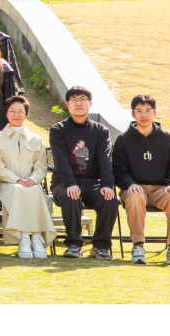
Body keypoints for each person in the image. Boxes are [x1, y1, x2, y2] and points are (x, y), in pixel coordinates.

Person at [112, 94, 170, 266]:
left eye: (148, 110)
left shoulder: (167, 139)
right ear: (133, 114)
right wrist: (129, 184)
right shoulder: (123, 140)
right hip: (134, 188)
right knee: (135, 197)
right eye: (139, 111)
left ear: (155, 113)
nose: (143, 115)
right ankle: (138, 246)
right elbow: (118, 169)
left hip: (160, 189)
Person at [49, 86, 118, 260]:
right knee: (71, 197)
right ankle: (74, 244)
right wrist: (71, 183)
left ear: (90, 104)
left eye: (83, 99)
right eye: (74, 99)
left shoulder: (101, 131)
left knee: (110, 199)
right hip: (65, 182)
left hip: (93, 183)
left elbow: (105, 160)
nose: (78, 103)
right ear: (67, 104)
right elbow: (60, 161)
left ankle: (101, 247)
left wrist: (107, 185)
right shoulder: (58, 129)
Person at [0, 95, 55, 259]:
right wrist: (16, 180)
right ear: (6, 113)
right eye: (12, 111)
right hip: (5, 184)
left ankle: (36, 237)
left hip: (31, 183)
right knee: (19, 190)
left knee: (35, 191)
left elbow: (41, 165)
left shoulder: (36, 139)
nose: (16, 114)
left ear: (26, 114)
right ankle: (24, 237)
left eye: (20, 111)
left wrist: (33, 179)